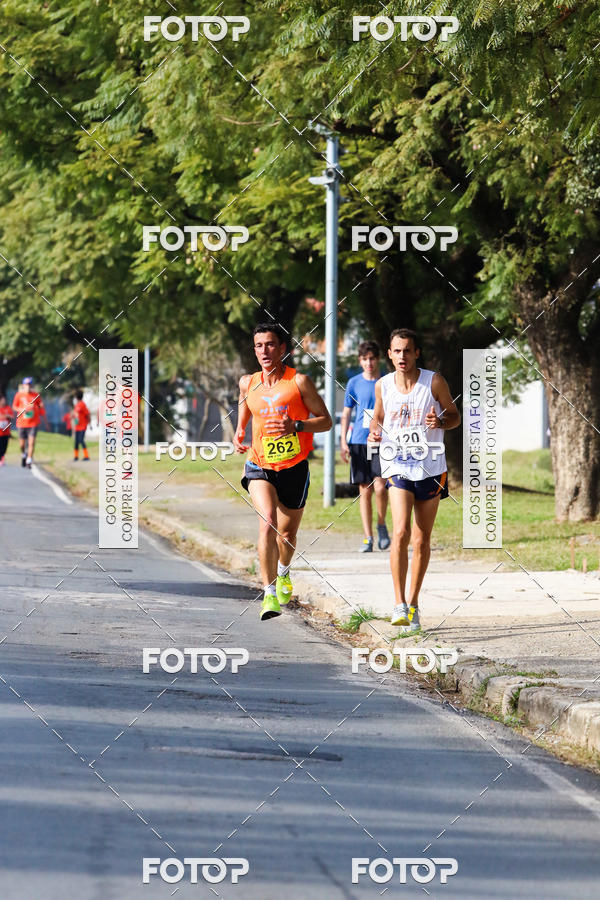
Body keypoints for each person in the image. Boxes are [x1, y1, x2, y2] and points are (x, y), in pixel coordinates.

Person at [234, 323, 332, 621]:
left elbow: (326, 421)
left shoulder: (299, 381)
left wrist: (297, 426)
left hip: (294, 467)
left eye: (270, 344)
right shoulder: (247, 382)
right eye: (259, 345)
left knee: (287, 535)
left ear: (283, 348)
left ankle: (284, 571)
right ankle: (269, 594)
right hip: (259, 464)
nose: (264, 350)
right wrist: (239, 431)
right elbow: (246, 407)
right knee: (268, 524)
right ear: (255, 350)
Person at [369, 329, 460, 632]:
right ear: (390, 354)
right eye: (397, 351)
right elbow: (378, 416)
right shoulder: (383, 385)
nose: (402, 357)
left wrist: (441, 420)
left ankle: (414, 602)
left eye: (408, 351)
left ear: (416, 352)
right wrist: (374, 431)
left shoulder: (433, 381)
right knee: (401, 532)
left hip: (431, 467)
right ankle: (398, 603)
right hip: (397, 465)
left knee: (421, 539)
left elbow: (454, 416)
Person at [340, 340, 390, 553]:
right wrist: (343, 441)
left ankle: (381, 525)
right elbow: (346, 413)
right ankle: (368, 537)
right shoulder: (353, 383)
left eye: (372, 358)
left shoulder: (387, 381)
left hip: (381, 440)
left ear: (378, 359)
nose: (369, 363)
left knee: (380, 487)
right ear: (360, 361)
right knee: (365, 491)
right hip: (359, 440)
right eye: (365, 359)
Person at [12, 377, 48, 469]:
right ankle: (24, 455)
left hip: (33, 423)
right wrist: (22, 409)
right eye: (26, 385)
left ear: (31, 385)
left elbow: (41, 407)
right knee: (22, 444)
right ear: (23, 385)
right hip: (21, 423)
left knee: (31, 443)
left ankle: (29, 460)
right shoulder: (19, 395)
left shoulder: (36, 395)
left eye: (29, 385)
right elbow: (14, 407)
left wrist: (41, 408)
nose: (28, 386)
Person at [72, 389, 90, 461]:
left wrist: (89, 423)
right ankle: (76, 456)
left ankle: (86, 456)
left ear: (77, 397)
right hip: (77, 426)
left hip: (83, 426)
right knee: (76, 441)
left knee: (81, 440)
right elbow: (76, 415)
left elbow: (87, 414)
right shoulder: (76, 405)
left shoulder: (82, 404)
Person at [0, 396, 13, 466]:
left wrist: (6, 416)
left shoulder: (8, 408)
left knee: (4, 446)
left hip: (6, 432)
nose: (4, 402)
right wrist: (5, 416)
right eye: (2, 400)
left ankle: (2, 458)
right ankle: (1, 459)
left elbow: (12, 417)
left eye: (5, 400)